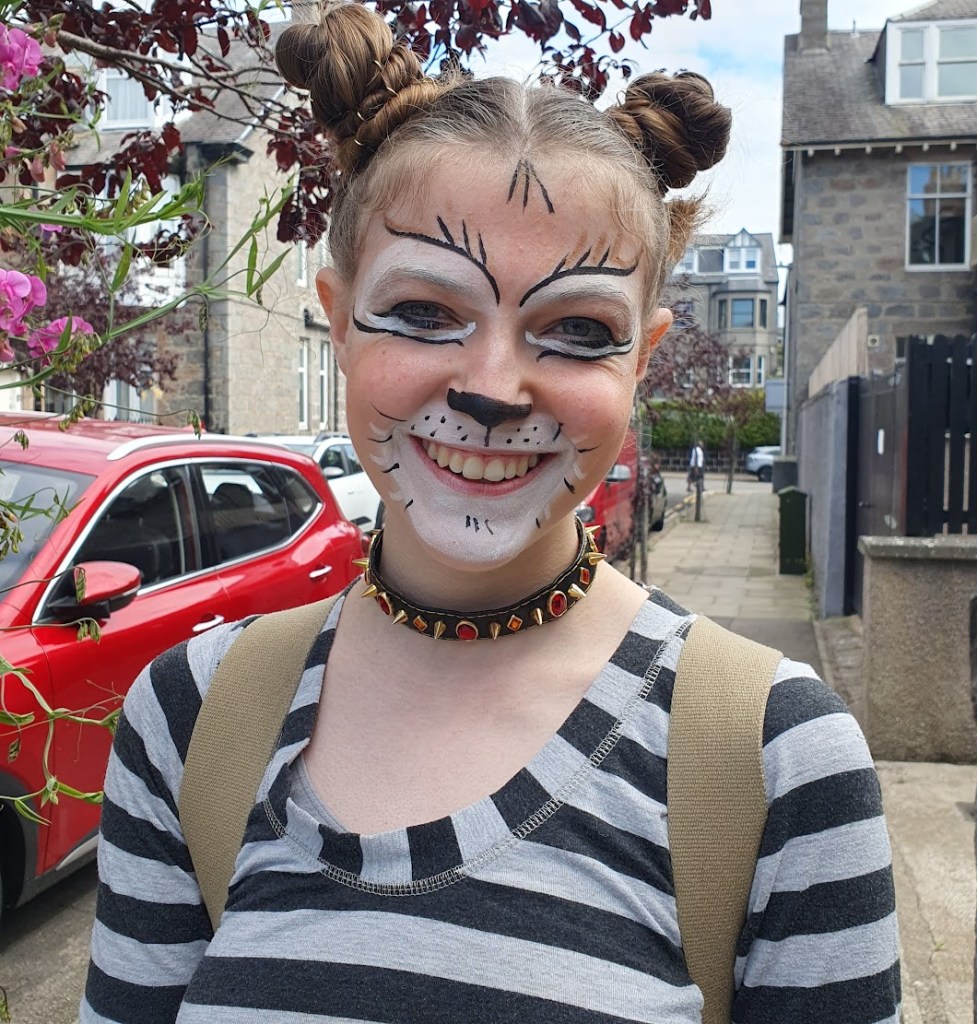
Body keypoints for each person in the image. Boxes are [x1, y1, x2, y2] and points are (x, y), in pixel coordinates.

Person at [80, 5, 901, 1022]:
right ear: (339, 324)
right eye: (425, 312)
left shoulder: (777, 760)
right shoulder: (189, 719)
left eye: (578, 329)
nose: (492, 389)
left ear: (642, 361)